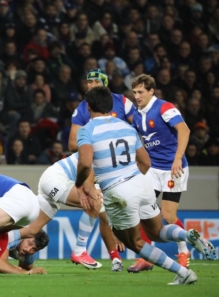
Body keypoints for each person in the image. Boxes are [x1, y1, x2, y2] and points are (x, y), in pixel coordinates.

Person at [75, 86, 214, 285]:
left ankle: (184, 273)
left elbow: (86, 163)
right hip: (142, 183)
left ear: (88, 106)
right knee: (156, 231)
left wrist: (80, 183)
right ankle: (186, 235)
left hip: (117, 191)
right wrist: (132, 179)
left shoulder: (87, 130)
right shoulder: (126, 127)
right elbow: (146, 162)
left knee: (136, 243)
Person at [67, 69, 136, 270]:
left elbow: (138, 127)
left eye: (95, 81)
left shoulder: (122, 101)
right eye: (88, 82)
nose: (91, 85)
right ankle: (115, 257)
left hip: (125, 163)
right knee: (103, 210)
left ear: (105, 84)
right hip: (100, 165)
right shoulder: (82, 108)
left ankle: (142, 253)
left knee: (134, 207)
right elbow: (72, 143)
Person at [129, 74, 192, 273]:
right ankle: (147, 258)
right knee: (140, 209)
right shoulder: (137, 114)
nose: (137, 96)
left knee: (168, 215)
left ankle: (184, 251)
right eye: (134, 92)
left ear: (151, 91)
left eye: (140, 92)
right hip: (153, 169)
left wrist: (177, 158)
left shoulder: (164, 107)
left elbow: (184, 130)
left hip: (174, 168)